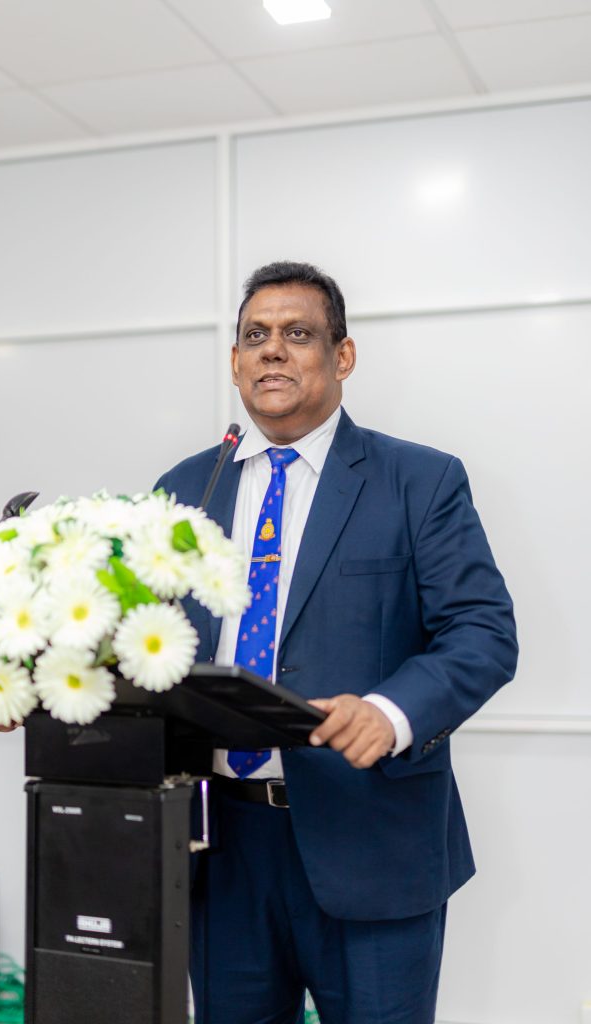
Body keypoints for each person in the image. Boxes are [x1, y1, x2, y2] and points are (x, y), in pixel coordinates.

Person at [154, 261, 518, 1024]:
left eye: (297, 334)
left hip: (370, 839)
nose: (272, 350)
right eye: (255, 336)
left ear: (341, 355)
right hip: (218, 846)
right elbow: (142, 642)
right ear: (234, 362)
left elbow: (481, 632)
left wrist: (390, 712)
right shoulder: (185, 489)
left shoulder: (418, 480)